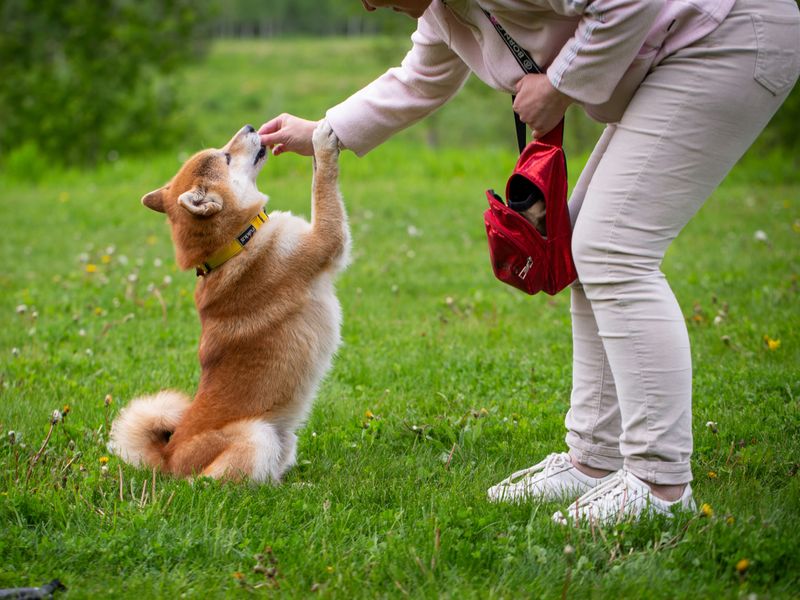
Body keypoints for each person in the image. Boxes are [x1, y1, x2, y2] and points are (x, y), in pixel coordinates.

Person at [259, 0, 800, 525]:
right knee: (585, 250)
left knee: (613, 250)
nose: (369, 8)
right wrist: (323, 132)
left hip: (725, 35)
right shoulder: (442, 10)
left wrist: (559, 84)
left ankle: (660, 484)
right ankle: (595, 459)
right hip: (683, 50)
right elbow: (420, 79)